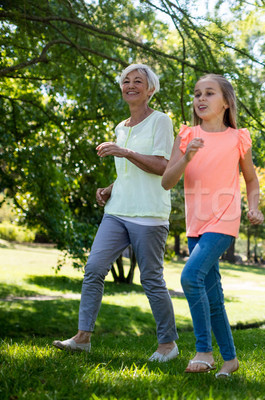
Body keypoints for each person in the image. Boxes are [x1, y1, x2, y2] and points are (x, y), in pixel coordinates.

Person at [52, 64, 179, 362]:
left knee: (151, 279)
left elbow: (163, 167)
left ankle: (168, 345)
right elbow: (130, 173)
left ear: (150, 89)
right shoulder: (121, 127)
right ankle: (82, 338)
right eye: (126, 81)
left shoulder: (161, 121)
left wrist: (125, 152)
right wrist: (110, 187)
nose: (130, 85)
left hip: (149, 214)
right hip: (117, 210)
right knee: (94, 268)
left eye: (138, 81)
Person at [161, 74, 263, 377]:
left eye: (209, 93)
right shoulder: (186, 135)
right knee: (213, 295)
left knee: (191, 276)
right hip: (196, 225)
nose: (200, 99)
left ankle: (204, 350)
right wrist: (187, 155)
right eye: (196, 94)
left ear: (226, 102)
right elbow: (168, 181)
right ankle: (230, 359)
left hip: (225, 219)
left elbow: (251, 179)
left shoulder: (238, 138)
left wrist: (253, 207)